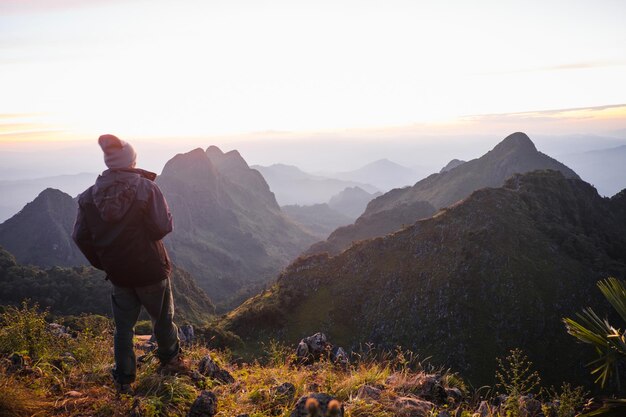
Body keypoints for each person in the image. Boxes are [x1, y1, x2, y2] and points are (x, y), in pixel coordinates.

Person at [72, 134, 185, 393]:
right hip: (150, 270)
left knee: (123, 327)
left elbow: (80, 236)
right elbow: (162, 226)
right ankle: (170, 361)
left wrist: (103, 262)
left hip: (119, 274)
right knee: (163, 320)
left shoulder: (88, 196)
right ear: (131, 160)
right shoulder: (146, 188)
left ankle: (124, 379)